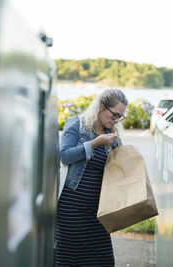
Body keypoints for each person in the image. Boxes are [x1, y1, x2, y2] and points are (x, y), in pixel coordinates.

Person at [56, 88, 128, 266]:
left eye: (120, 117)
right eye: (114, 115)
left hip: (98, 212)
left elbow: (116, 171)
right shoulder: (76, 124)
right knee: (70, 260)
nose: (116, 120)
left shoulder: (113, 136)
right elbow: (64, 155)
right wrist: (94, 144)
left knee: (102, 260)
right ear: (101, 107)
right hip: (71, 208)